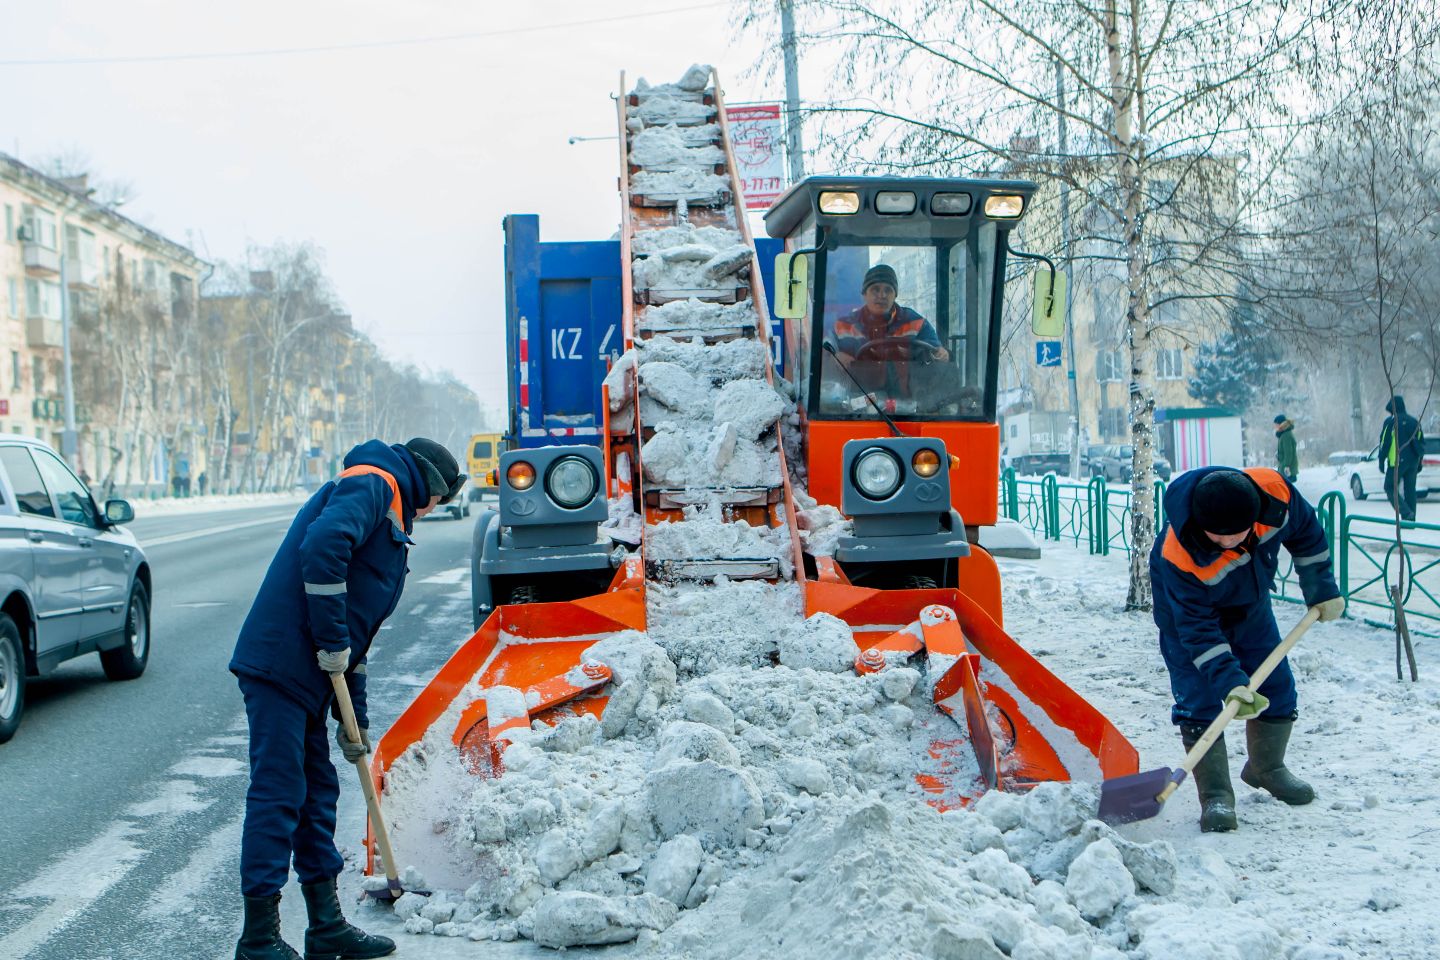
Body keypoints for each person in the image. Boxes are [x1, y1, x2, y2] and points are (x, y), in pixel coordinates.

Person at [229, 437, 463, 960]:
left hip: (311, 675)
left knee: (317, 795)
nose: (430, 512)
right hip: (281, 664)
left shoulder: (391, 519)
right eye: (436, 502)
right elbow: (323, 547)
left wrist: (351, 719)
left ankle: (325, 924)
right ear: (427, 485)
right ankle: (258, 938)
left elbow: (357, 633)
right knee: (279, 791)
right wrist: (331, 641)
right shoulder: (374, 484)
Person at [1150, 467, 1345, 833]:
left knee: (1276, 686)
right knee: (1199, 700)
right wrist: (1229, 682)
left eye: (1236, 534)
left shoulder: (1276, 496)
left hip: (1250, 605)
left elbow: (1307, 534)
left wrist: (1321, 588)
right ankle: (1217, 795)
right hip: (1187, 622)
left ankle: (1265, 768)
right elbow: (1198, 631)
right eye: (1217, 537)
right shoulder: (1177, 554)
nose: (1228, 544)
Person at [1378, 395, 1423, 522]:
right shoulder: (1414, 422)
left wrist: (1381, 461)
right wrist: (1419, 461)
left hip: (1396, 462)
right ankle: (1410, 520)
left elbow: (1384, 443)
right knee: (1410, 490)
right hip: (1413, 461)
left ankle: (1406, 512)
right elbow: (1420, 442)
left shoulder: (1391, 422)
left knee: (1389, 487)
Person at [1273, 414, 1298, 482]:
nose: (1275, 426)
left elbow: (1288, 453)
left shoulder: (1286, 435)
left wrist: (1286, 466)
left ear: (1281, 424)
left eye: (1276, 424)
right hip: (1284, 466)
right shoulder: (1284, 434)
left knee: (1286, 488)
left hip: (1286, 469)